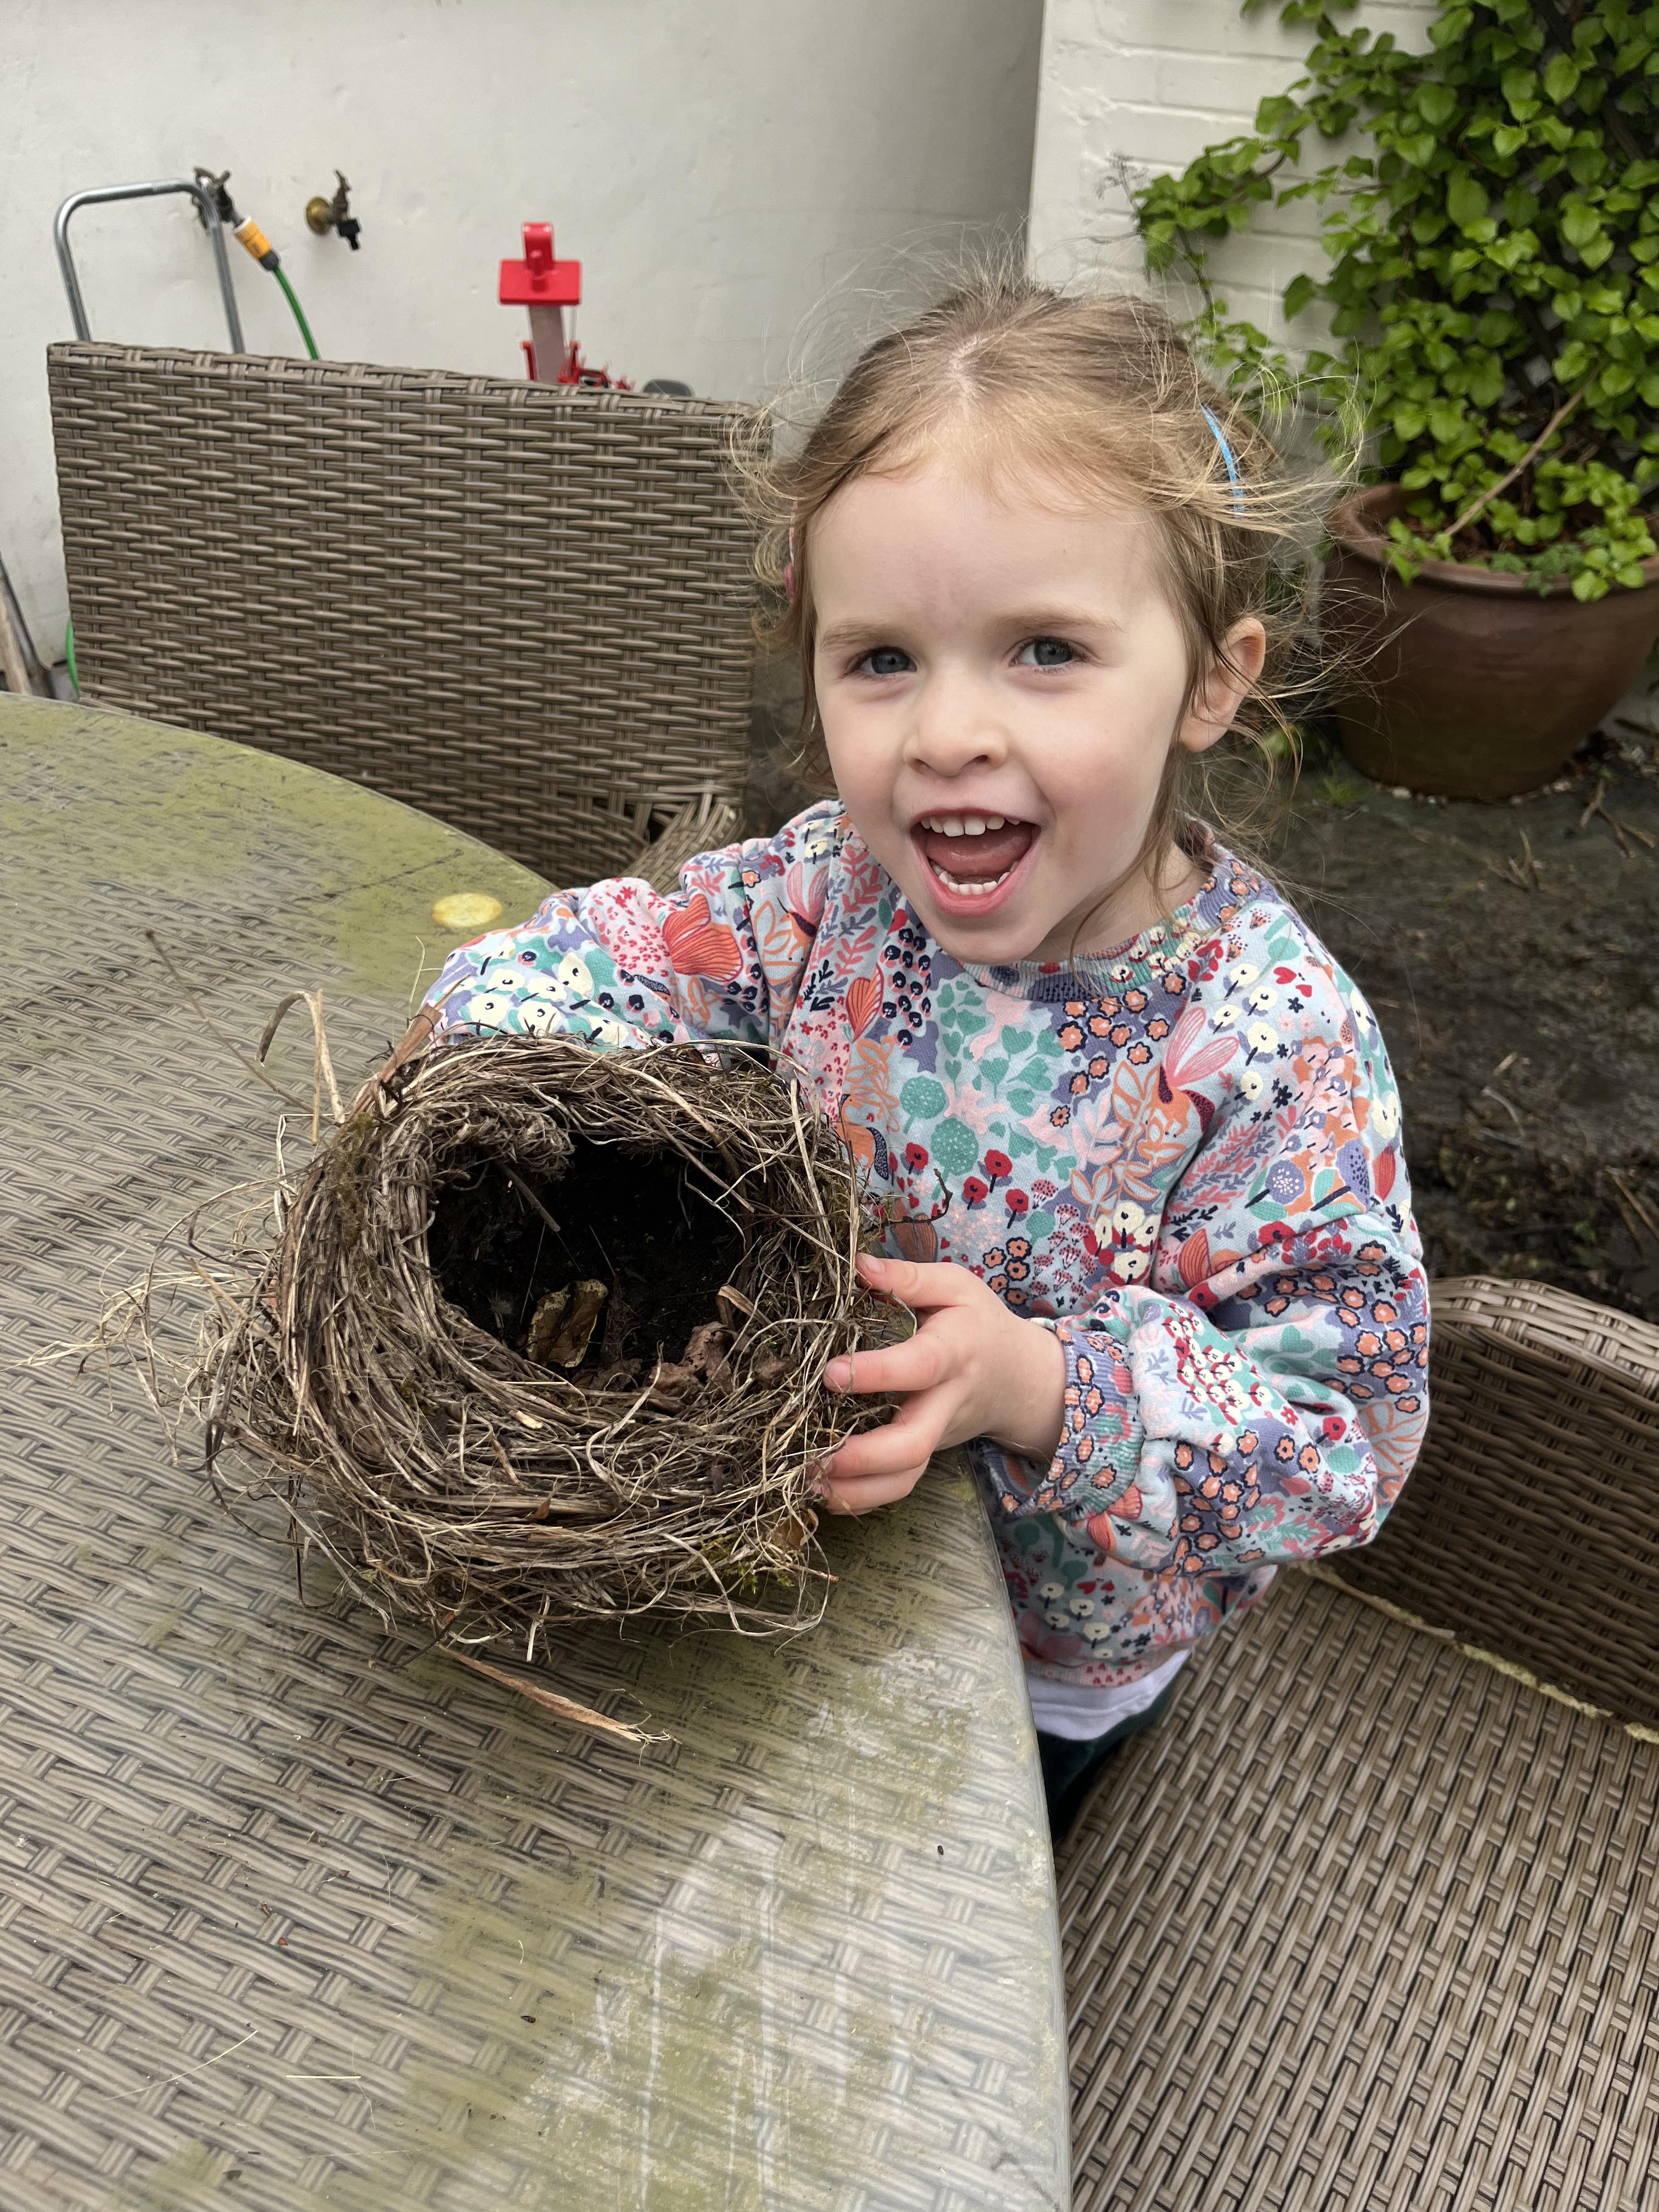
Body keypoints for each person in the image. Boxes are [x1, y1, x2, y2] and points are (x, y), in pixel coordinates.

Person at [424, 276, 1429, 1844]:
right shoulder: (829, 896)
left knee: (964, 1872)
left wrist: (1040, 1386)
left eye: (1045, 649)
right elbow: (615, 958)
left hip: (1046, 1652)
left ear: (1212, 680)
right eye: (883, 659)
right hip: (783, 1548)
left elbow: (1342, 1439)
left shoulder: (1271, 1048)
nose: (948, 732)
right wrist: (476, 1035)